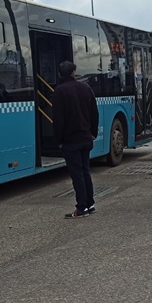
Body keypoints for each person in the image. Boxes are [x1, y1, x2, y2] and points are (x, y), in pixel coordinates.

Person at [52, 61, 99, 219]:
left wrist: (59, 140)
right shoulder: (86, 88)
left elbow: (58, 119)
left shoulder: (59, 91)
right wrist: (93, 133)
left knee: (76, 174)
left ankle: (81, 208)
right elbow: (94, 113)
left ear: (60, 74)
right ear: (73, 73)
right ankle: (90, 204)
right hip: (86, 138)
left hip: (70, 140)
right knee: (85, 171)